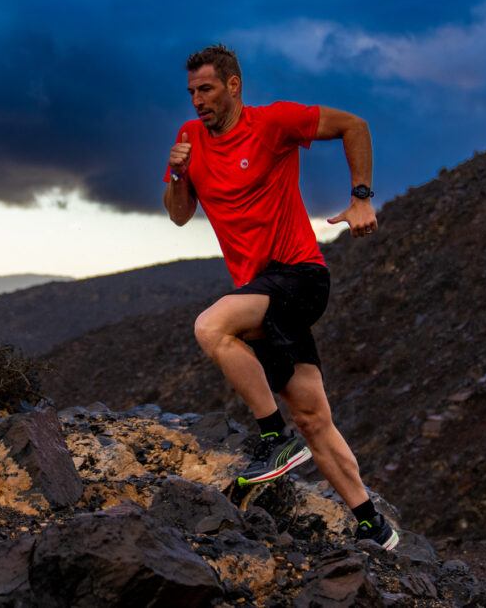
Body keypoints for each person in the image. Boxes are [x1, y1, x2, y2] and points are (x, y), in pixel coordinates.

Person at [163, 44, 398, 550]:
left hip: (299, 276)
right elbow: (180, 214)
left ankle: (274, 438)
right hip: (261, 293)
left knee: (211, 326)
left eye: (205, 89)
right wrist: (179, 173)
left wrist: (361, 197)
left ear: (233, 85)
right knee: (314, 416)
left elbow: (354, 125)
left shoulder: (273, 123)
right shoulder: (189, 139)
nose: (197, 101)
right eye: (190, 93)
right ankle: (373, 524)